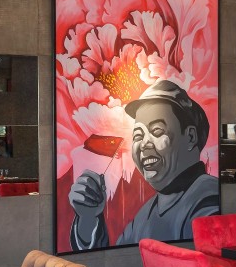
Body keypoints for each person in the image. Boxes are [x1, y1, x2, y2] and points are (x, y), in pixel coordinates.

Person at [68, 80, 219, 250]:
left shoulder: (208, 198)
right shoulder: (145, 215)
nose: (144, 144)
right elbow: (113, 256)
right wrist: (88, 218)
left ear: (190, 137)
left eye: (157, 131)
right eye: (138, 135)